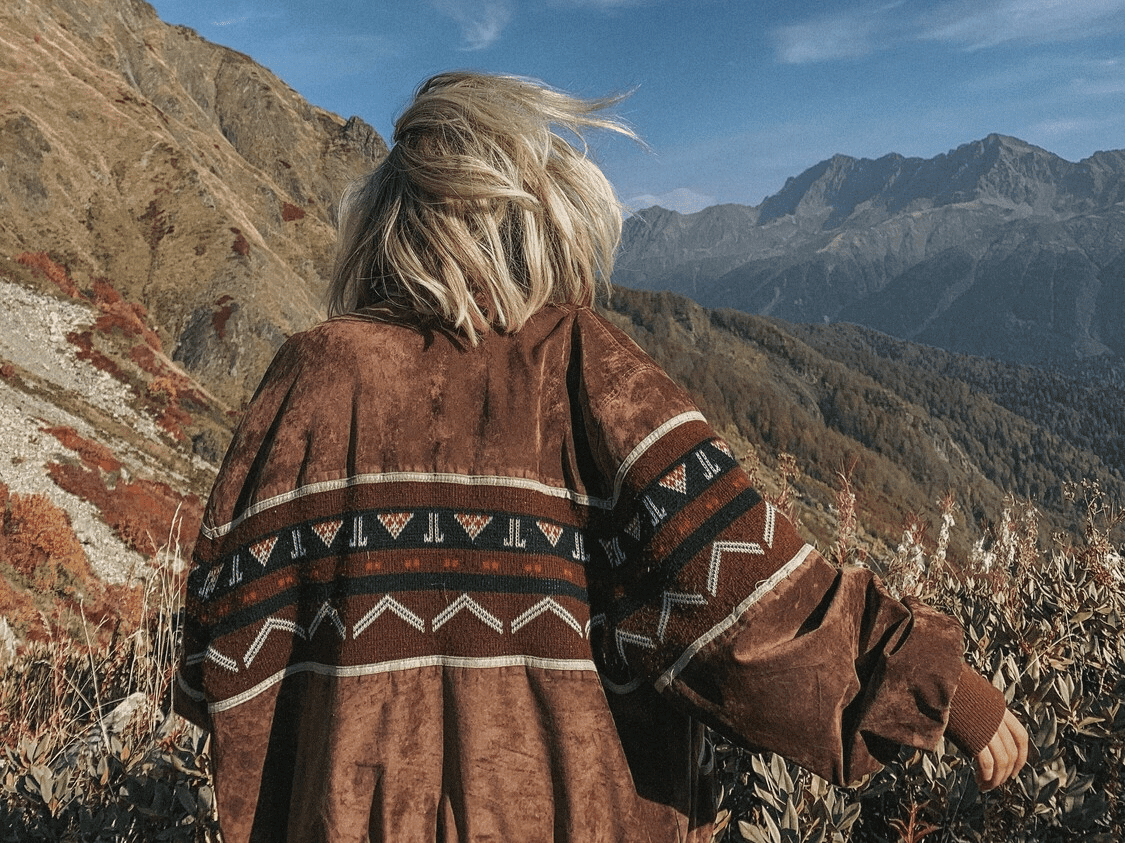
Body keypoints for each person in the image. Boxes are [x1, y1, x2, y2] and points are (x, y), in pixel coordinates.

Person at [176, 72, 1028, 842]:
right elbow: (746, 605)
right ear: (533, 219)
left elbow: (216, 656)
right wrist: (938, 685)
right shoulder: (578, 365)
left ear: (387, 228)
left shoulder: (310, 378)